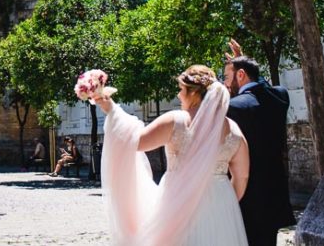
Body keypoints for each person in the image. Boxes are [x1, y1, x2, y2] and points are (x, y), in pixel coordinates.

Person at [95, 65, 250, 245]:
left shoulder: (176, 121)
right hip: (222, 206)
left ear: (193, 93)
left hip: (178, 205)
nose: (178, 95)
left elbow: (134, 141)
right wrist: (225, 203)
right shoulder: (234, 129)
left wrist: (113, 110)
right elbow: (242, 176)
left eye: (181, 89)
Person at [223, 40, 296, 246]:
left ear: (240, 75)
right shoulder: (280, 96)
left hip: (250, 194)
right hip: (276, 191)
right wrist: (244, 61)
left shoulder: (234, 107)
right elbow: (262, 87)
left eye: (227, 77)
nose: (226, 84)